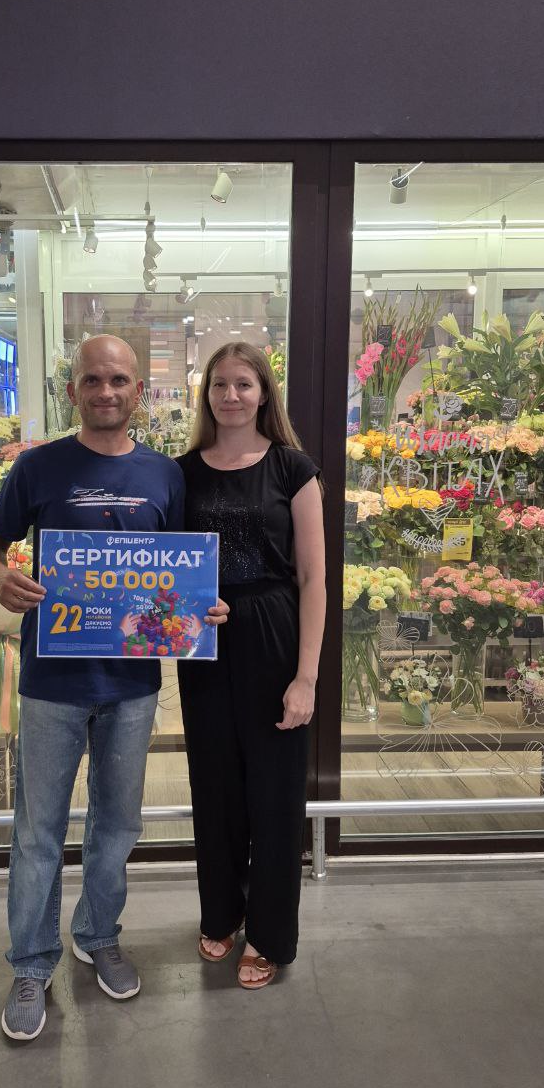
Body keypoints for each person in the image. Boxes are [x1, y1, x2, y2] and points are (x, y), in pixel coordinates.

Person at [0, 334, 226, 1042]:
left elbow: (179, 571)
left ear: (138, 390)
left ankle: (98, 934)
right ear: (73, 391)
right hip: (51, 682)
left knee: (117, 826)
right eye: (92, 380)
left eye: (118, 380)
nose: (106, 391)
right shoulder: (38, 467)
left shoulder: (165, 475)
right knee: (38, 833)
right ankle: (31, 964)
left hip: (131, 685)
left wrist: (202, 606)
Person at [177, 341, 326, 990]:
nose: (231, 395)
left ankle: (267, 933)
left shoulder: (293, 469)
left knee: (274, 794)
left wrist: (306, 677)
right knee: (214, 787)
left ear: (264, 392)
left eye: (243, 383)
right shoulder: (181, 472)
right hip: (204, 642)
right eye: (219, 384)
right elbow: (164, 566)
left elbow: (314, 579)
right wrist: (185, 604)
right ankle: (222, 910)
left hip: (273, 635)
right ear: (205, 394)